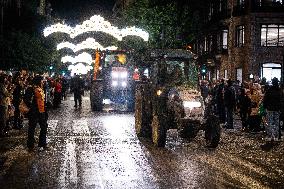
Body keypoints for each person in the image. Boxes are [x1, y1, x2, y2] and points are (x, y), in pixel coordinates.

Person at [24, 75, 48, 151]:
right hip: (34, 112)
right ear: (38, 80)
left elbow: (43, 100)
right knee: (32, 128)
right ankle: (30, 145)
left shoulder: (41, 88)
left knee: (44, 127)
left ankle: (42, 144)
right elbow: (26, 100)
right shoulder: (30, 89)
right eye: (41, 80)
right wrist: (32, 107)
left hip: (42, 112)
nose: (43, 81)